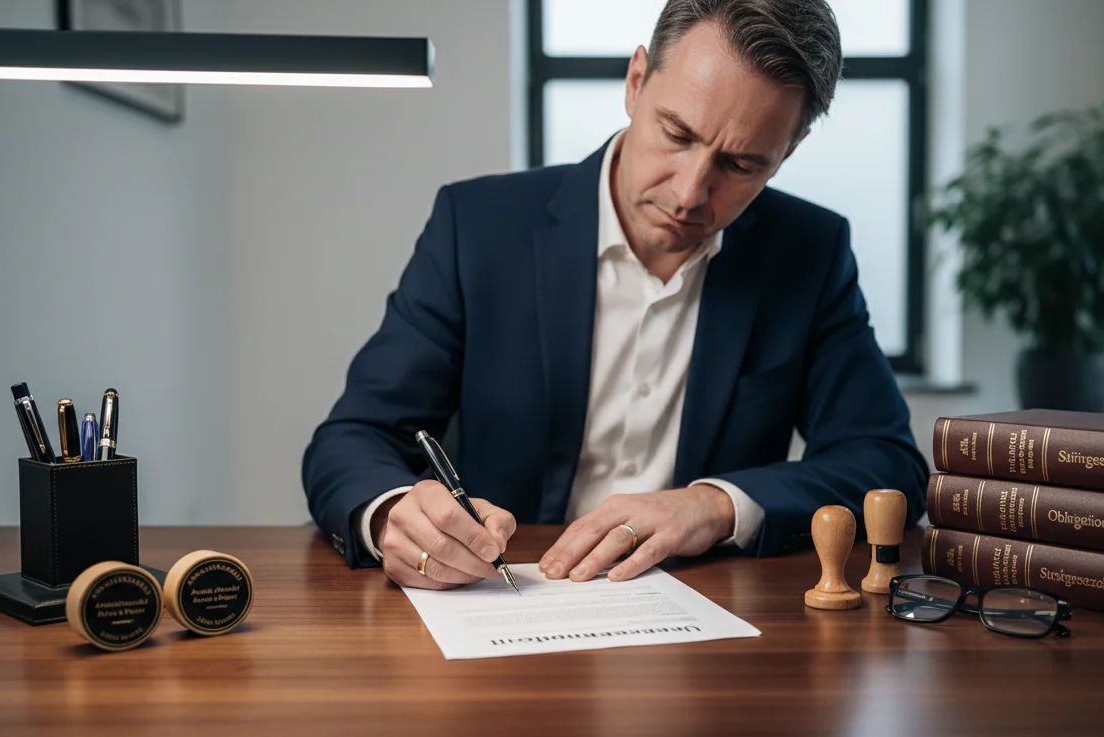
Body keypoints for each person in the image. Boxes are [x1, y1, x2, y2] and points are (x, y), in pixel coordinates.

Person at [302, 0, 927, 589]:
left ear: (787, 151)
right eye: (678, 134)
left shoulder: (808, 253)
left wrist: (715, 505)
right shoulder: (478, 227)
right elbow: (354, 436)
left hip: (709, 619)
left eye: (741, 165)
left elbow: (886, 463)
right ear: (635, 82)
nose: (689, 193)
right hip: (501, 601)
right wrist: (392, 518)